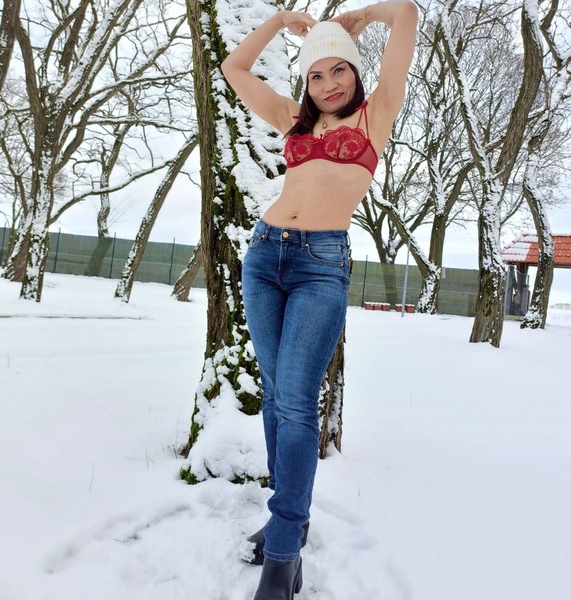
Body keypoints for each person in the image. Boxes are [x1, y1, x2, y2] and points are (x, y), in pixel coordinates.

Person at [220, 2, 418, 598]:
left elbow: (407, 12)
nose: (328, 84)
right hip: (264, 258)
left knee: (298, 404)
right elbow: (233, 69)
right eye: (316, 75)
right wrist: (279, 22)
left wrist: (363, 17)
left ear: (355, 72)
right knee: (275, 397)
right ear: (305, 83)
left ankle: (284, 554)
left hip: (320, 267)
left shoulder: (377, 113)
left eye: (339, 70)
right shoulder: (293, 120)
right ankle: (289, 521)